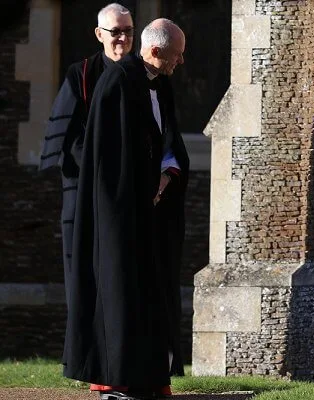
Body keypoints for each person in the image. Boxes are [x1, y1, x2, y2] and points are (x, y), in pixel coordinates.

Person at [63, 18, 189, 400]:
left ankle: (150, 377)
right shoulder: (117, 83)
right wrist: (139, 189)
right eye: (176, 55)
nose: (180, 63)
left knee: (152, 291)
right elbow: (109, 156)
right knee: (117, 290)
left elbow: (167, 140)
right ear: (155, 51)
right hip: (117, 211)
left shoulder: (160, 85)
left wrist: (167, 173)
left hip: (149, 212)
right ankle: (112, 380)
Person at [39, 2, 134, 310]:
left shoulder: (141, 77)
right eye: (115, 32)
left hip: (126, 193)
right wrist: (103, 168)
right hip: (83, 189)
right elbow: (68, 140)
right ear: (99, 34)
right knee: (82, 274)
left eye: (128, 32)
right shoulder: (79, 75)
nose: (122, 39)